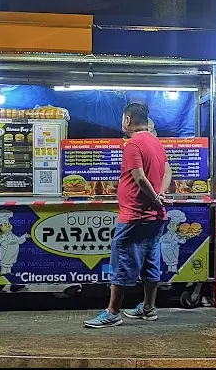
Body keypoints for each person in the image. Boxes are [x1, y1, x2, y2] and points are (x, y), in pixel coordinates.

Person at [84, 103, 173, 328]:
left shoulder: (133, 144)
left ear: (127, 120)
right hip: (156, 215)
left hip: (136, 215)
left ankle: (112, 312)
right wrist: (161, 194)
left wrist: (154, 197)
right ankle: (148, 308)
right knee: (151, 259)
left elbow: (140, 178)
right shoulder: (156, 142)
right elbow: (169, 170)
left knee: (122, 259)